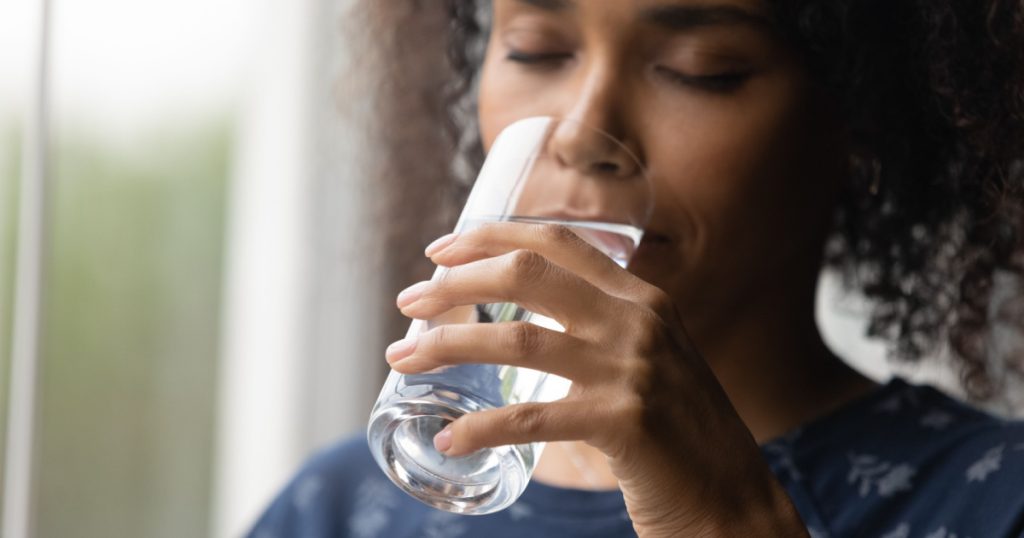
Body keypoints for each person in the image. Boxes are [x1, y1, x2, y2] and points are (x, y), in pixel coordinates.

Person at [248, 0, 1024, 536]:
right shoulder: (340, 508)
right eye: (536, 51)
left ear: (860, 125)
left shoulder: (995, 499)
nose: (584, 130)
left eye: (701, 69)